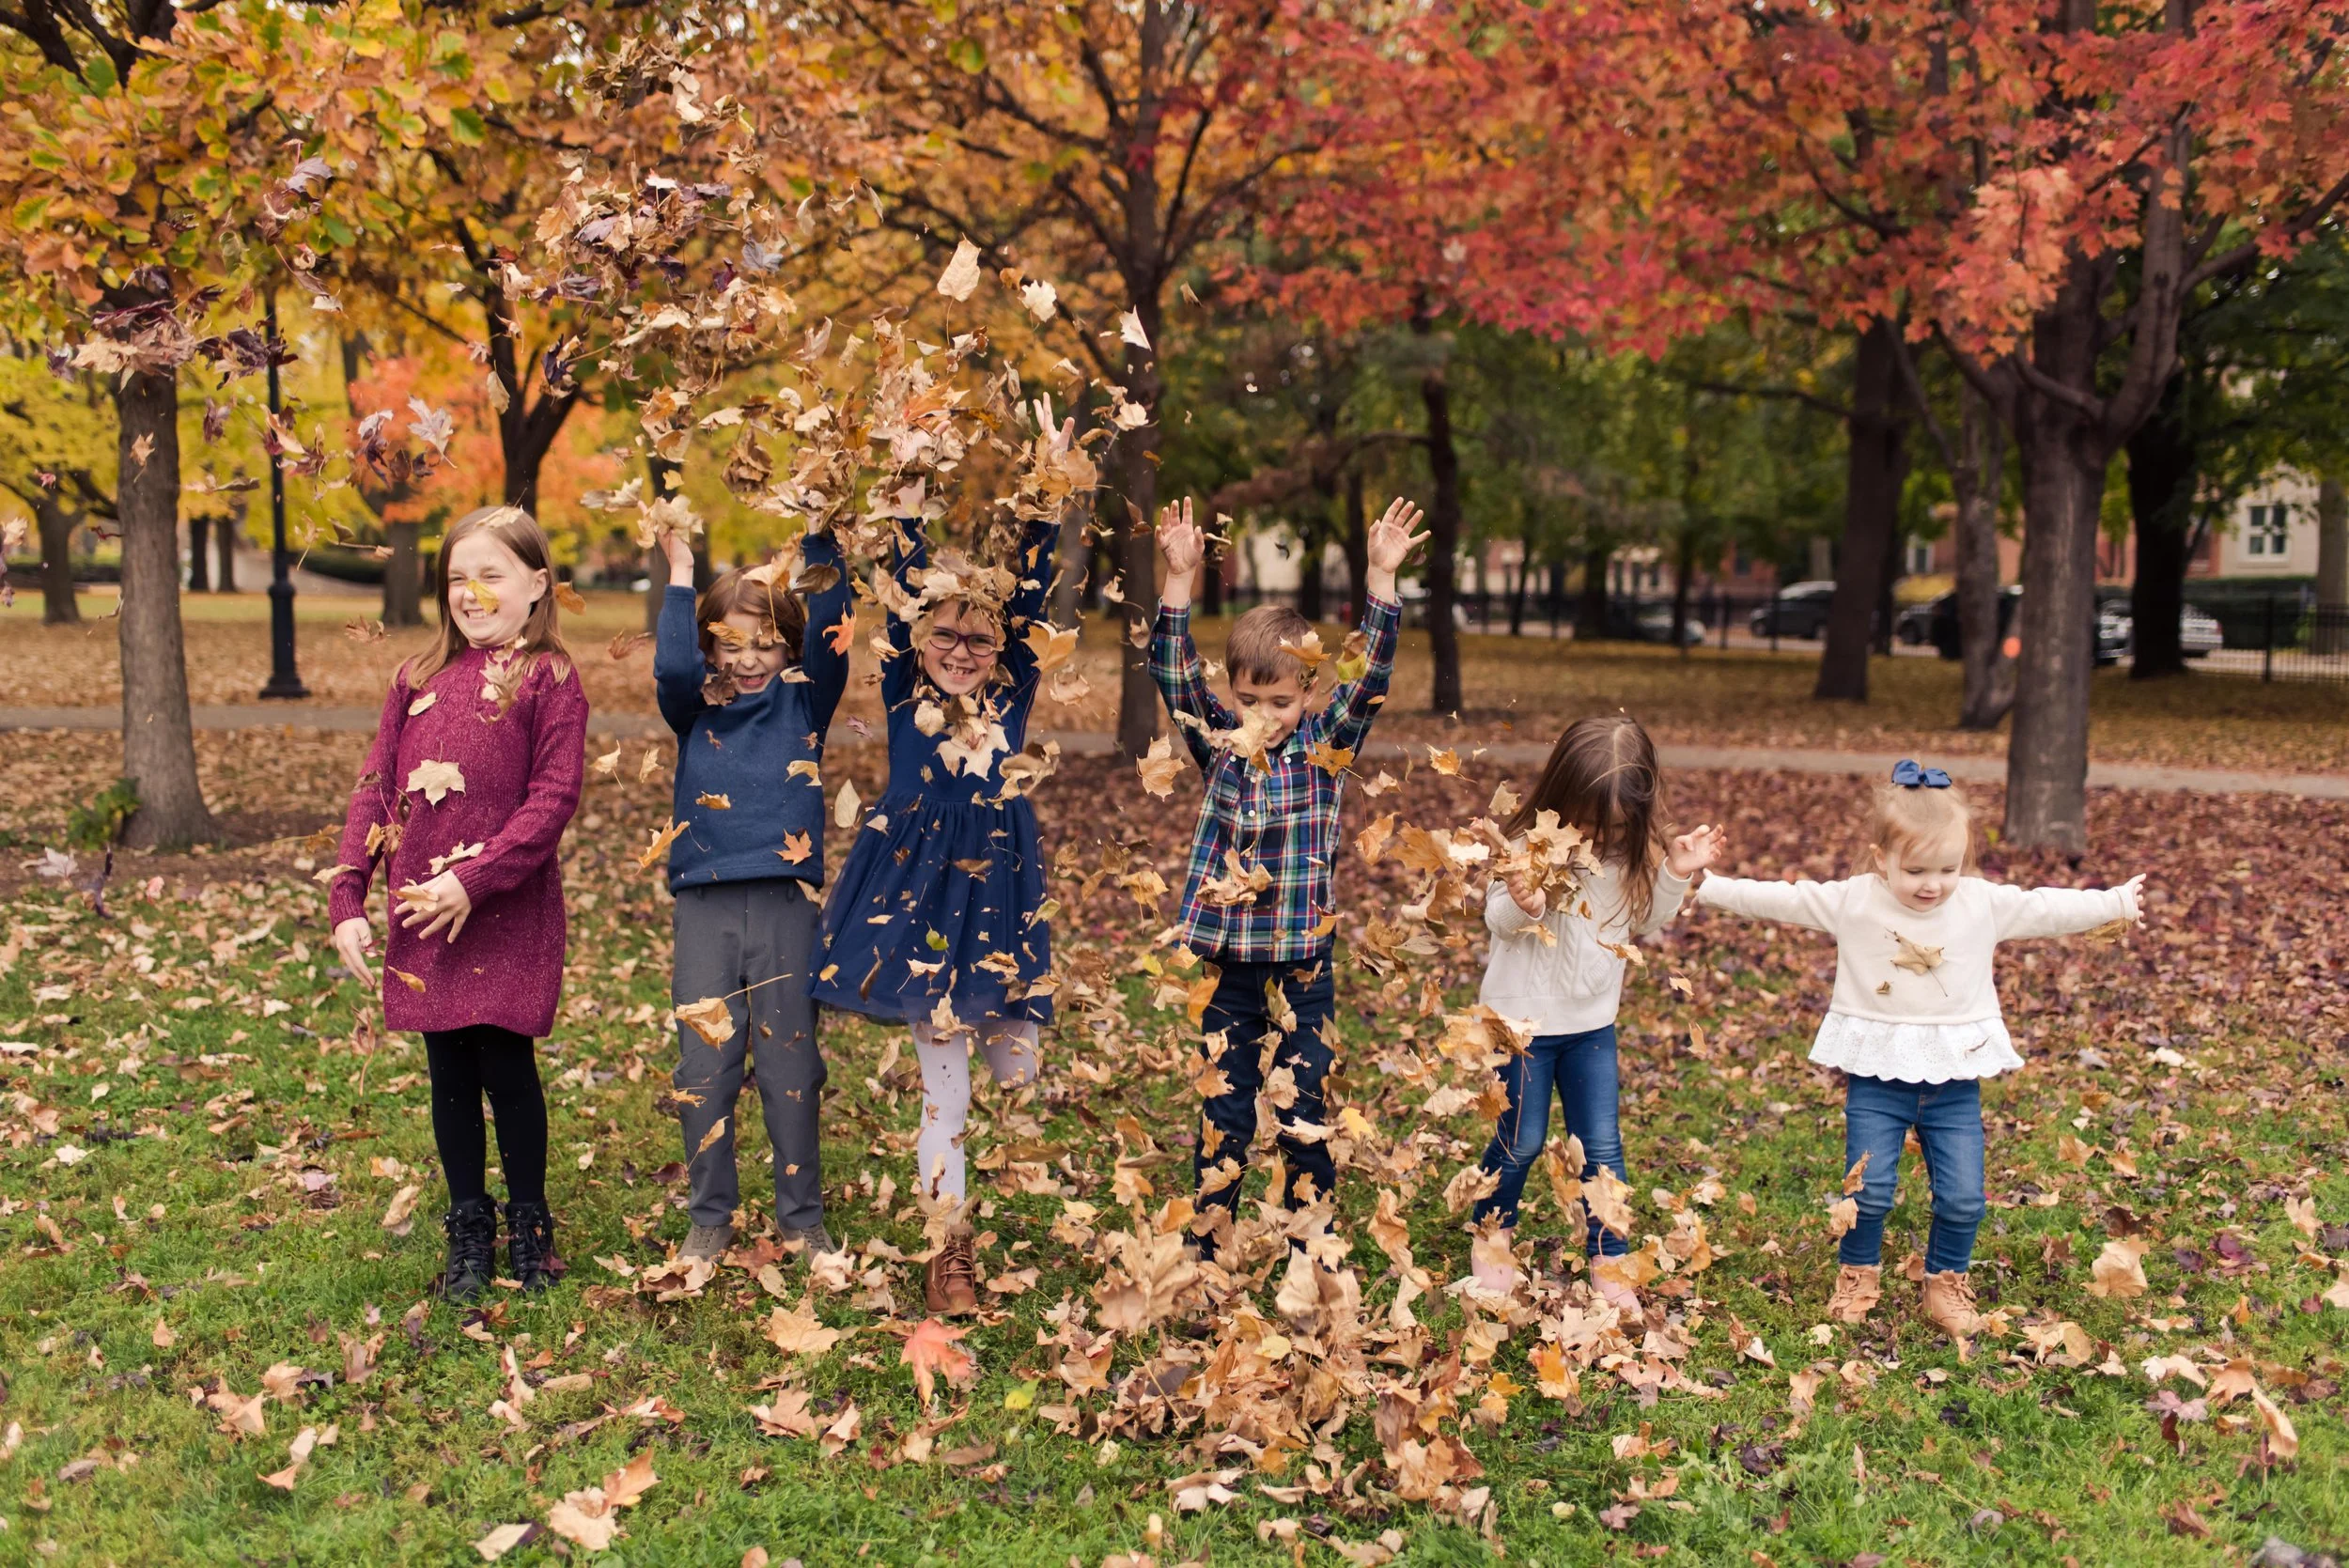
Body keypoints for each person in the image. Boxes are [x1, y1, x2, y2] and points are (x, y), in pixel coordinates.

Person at [1695, 761, 2145, 1341]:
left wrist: (2111, 903)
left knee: (1962, 1197)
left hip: (1954, 1079)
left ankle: (1945, 1281)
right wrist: (1703, 886)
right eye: (1915, 870)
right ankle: (1857, 1274)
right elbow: (1783, 898)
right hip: (1878, 1078)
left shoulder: (1980, 903)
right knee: (1870, 1188)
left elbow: (2044, 907)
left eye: (1947, 868)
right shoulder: (1854, 900)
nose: (1932, 884)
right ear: (1881, 858)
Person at [810, 421, 1075, 1315]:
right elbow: (897, 594)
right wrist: (907, 508)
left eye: (979, 638)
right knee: (945, 1070)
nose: (961, 650)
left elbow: (1030, 603)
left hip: (997, 886)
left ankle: (972, 1143)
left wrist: (1043, 494)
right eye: (946, 635)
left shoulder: (1013, 688)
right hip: (918, 892)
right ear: (921, 640)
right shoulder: (901, 687)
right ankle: (947, 1243)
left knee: (1016, 1066)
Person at [1149, 493, 1424, 1256]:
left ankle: (1314, 1249)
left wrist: (1380, 578)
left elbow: (1369, 676)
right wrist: (1179, 583)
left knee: (1304, 1110)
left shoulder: (1326, 749)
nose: (1265, 714)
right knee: (1226, 1108)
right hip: (1232, 964)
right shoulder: (1223, 746)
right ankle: (1207, 1248)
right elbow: (1174, 677)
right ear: (1233, 693)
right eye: (1249, 700)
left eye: (1281, 700)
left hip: (1305, 961)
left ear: (1308, 694)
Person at [329, 505, 588, 1301]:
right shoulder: (415, 679)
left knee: (506, 1065)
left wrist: (471, 879)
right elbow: (376, 787)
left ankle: (529, 1221)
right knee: (448, 1068)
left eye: (491, 575)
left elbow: (553, 800)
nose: (470, 593)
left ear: (538, 583)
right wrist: (347, 892)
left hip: (504, 908)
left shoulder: (550, 679)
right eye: (456, 578)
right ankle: (469, 1222)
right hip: (422, 909)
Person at [1470, 716, 1725, 1309]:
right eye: (1582, 819)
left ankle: (1610, 1259)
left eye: (1610, 826)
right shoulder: (1523, 851)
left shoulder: (1627, 857)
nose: (1593, 836)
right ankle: (1492, 1236)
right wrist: (1526, 901)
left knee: (1601, 1145)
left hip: (1590, 1026)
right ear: (1557, 798)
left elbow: (1642, 922)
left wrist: (1673, 876)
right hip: (1521, 1027)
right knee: (1522, 1138)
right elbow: (1498, 923)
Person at [653, 523, 851, 1265]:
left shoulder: (806, 706)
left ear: (788, 649)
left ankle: (802, 1218)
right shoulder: (695, 708)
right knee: (704, 1067)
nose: (747, 660)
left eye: (765, 643)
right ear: (710, 649)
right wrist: (680, 571)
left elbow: (835, 629)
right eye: (730, 645)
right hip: (704, 904)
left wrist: (822, 536)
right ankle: (711, 1214)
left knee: (790, 1065)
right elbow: (671, 665)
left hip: (785, 906)